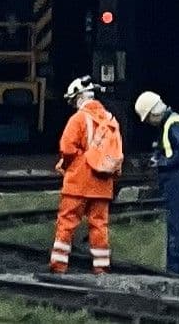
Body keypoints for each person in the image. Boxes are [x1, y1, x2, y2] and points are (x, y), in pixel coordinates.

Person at [49, 73, 124, 274]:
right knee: (99, 225)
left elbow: (67, 148)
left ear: (80, 97)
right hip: (103, 184)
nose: (74, 105)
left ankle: (58, 266)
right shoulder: (111, 120)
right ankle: (101, 267)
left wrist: (69, 164)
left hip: (78, 182)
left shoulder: (78, 119)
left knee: (67, 222)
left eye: (74, 100)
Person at [136, 89, 179, 278]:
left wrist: (162, 162)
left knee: (176, 232)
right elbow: (172, 149)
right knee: (175, 230)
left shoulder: (173, 124)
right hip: (178, 185)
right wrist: (158, 157)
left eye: (148, 118)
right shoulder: (169, 124)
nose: (149, 122)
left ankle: (174, 273)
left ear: (153, 113)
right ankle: (173, 271)